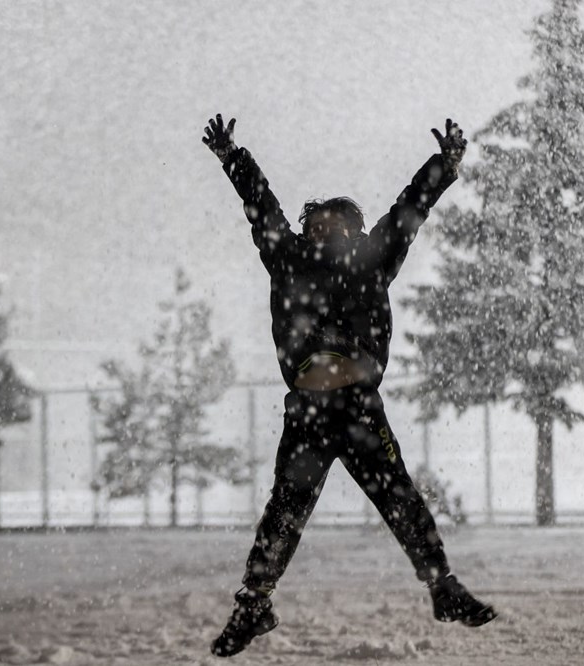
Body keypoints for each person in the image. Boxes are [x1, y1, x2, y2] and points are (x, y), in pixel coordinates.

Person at [202, 113, 495, 658]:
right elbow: (264, 209)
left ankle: (442, 586)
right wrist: (234, 159)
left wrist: (444, 165)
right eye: (315, 225)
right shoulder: (289, 260)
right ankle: (253, 605)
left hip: (358, 407)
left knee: (399, 496)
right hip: (310, 409)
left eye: (333, 225)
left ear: (355, 232)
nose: (321, 232)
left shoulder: (370, 257)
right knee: (284, 510)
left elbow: (411, 210)